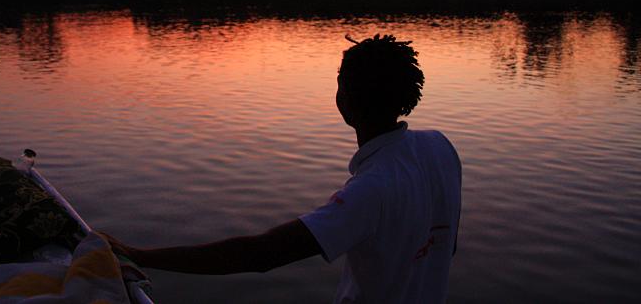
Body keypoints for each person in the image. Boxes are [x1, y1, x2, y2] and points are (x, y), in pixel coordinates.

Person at [105, 34, 462, 304]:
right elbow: (445, 244)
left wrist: (138, 256)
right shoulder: (440, 147)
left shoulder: (370, 191)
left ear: (344, 99)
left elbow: (260, 255)